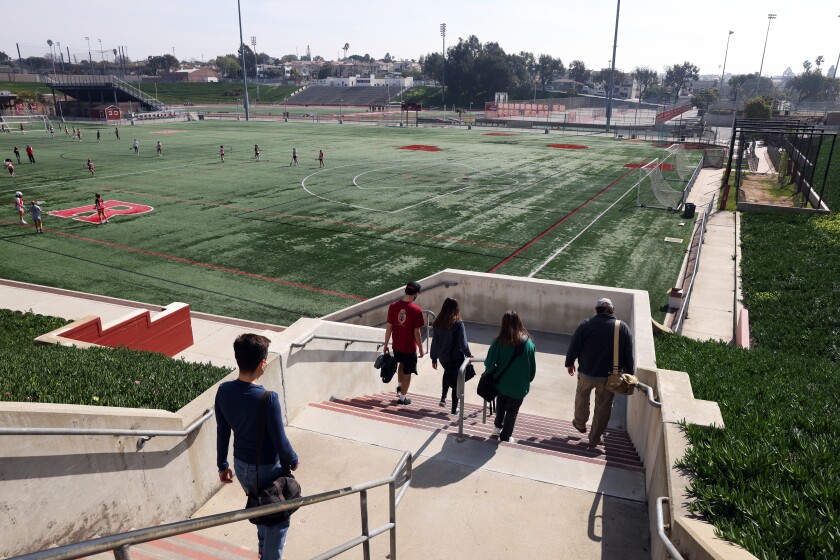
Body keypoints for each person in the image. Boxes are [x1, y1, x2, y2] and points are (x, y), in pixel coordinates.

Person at [215, 333, 300, 560]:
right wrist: (293, 459)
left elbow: (223, 431)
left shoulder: (223, 391)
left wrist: (222, 465)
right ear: (262, 363)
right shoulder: (268, 398)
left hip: (241, 467)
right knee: (278, 521)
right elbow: (281, 442)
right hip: (266, 469)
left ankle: (263, 549)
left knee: (262, 507)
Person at [565, 297, 635, 447]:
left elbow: (574, 345)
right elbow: (628, 355)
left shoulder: (586, 325)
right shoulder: (622, 328)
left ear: (597, 310)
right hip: (610, 378)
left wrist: (570, 362)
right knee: (603, 408)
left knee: (582, 397)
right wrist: (631, 373)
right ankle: (595, 438)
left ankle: (579, 423)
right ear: (612, 310)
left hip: (586, 373)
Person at [484, 311, 536, 443]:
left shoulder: (498, 342)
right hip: (519, 387)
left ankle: (497, 429)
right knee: (512, 412)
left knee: (501, 404)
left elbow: (489, 365)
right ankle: (506, 436)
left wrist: (495, 372)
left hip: (501, 384)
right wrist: (525, 380)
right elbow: (532, 370)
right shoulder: (529, 344)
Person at [383, 281, 425, 406]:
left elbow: (389, 327)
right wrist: (421, 350)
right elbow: (416, 333)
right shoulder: (417, 310)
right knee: (408, 372)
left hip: (396, 345)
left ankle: (399, 388)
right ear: (415, 294)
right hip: (409, 347)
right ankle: (402, 398)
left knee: (401, 365)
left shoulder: (393, 306)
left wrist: (385, 344)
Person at [430, 297, 472, 415]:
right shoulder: (458, 324)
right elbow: (463, 344)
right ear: (456, 309)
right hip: (456, 358)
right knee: (456, 382)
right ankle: (454, 409)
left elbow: (435, 343)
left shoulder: (437, 323)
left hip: (443, 359)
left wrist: (434, 358)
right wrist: (469, 355)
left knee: (448, 372)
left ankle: (443, 397)